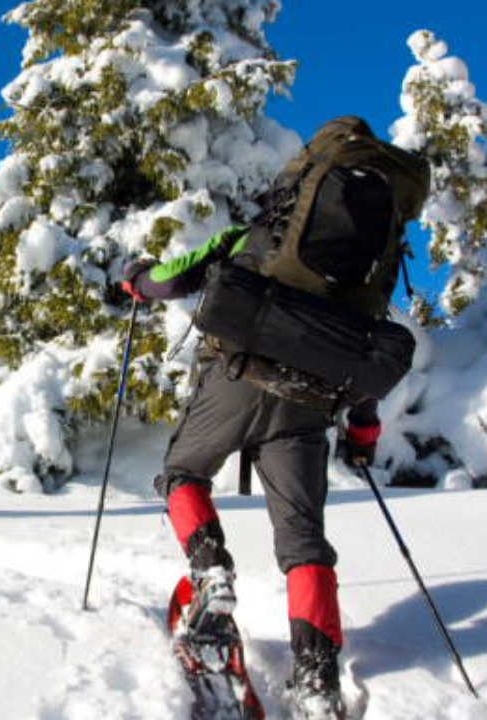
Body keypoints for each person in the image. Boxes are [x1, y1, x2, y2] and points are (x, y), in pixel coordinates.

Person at [121, 124, 408, 716]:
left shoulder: (253, 236)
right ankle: (317, 677)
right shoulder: (366, 279)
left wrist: (137, 280)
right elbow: (360, 361)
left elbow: (173, 278)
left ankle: (211, 575)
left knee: (182, 473)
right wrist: (362, 435)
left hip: (238, 375)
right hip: (310, 404)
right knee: (304, 542)